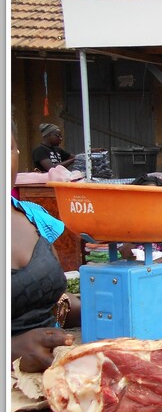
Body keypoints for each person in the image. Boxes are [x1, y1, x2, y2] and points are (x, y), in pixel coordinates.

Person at [11, 129, 77, 374]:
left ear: (17, 152)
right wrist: (12, 351)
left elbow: (50, 300)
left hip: (52, 378)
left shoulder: (33, 216)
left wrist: (103, 306)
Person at [116, 174, 162, 269]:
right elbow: (125, 253)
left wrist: (147, 267)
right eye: (144, 195)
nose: (149, 200)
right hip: (135, 267)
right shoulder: (131, 222)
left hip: (158, 267)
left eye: (154, 195)